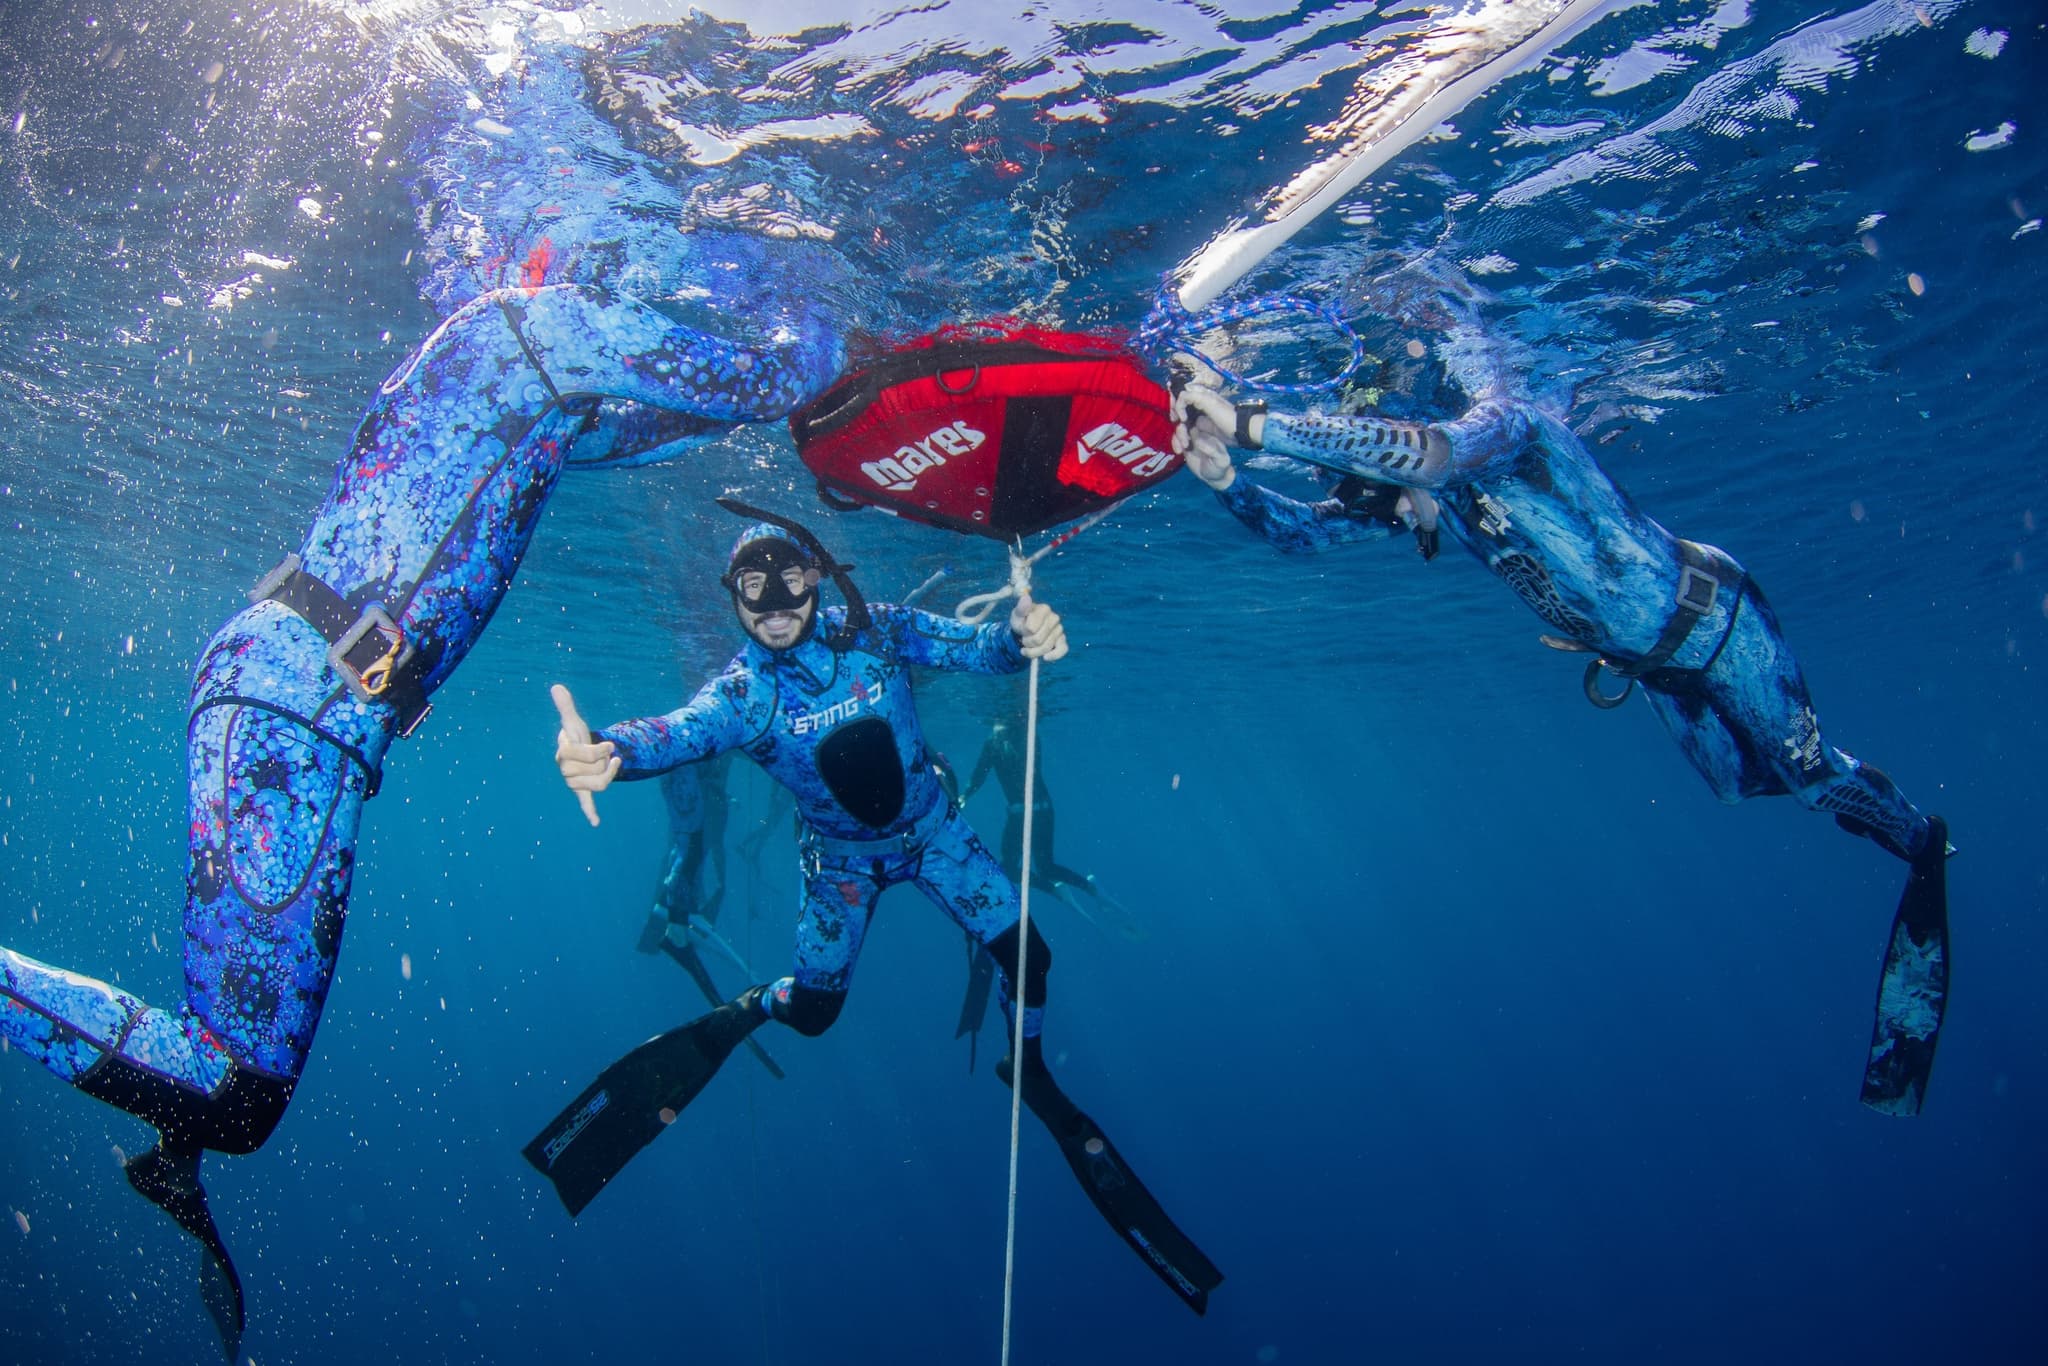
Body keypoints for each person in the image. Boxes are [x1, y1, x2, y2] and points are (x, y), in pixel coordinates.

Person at [0, 282, 842, 1358]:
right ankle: (183, 1118)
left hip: (295, 707)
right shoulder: (535, 324)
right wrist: (847, 357)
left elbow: (636, 427)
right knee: (240, 1089)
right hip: (295, 718)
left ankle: (174, 1138)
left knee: (230, 1078)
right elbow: (760, 378)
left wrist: (783, 408)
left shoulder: (519, 361)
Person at [1175, 372, 1951, 1117]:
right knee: (1731, 786)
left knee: (1810, 780)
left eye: (1395, 505)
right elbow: (1311, 533)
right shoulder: (1432, 494)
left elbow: (1426, 453)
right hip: (1654, 666)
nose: (1405, 523)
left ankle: (1918, 838)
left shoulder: (1508, 430)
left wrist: (1253, 425)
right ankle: (1858, 808)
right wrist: (1225, 482)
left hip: (1719, 622)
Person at [532, 505, 1222, 1314]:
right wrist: (604, 751)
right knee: (816, 1015)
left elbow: (981, 649)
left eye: (789, 577)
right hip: (841, 872)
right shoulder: (742, 693)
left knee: (1031, 957)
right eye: (753, 586)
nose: (776, 600)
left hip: (937, 838)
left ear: (818, 577)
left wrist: (1026, 634)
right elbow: (669, 733)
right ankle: (759, 1004)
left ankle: (1027, 1072)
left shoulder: (880, 632)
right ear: (733, 598)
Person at [952, 714, 1143, 1055]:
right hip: (1045, 808)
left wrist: (963, 796)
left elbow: (979, 776)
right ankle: (1088, 888)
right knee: (1048, 864)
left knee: (1009, 868)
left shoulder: (994, 742)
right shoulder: (1029, 735)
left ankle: (1057, 890)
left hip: (1018, 812)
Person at [641, 758, 785, 1079]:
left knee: (698, 844)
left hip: (704, 791)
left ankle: (677, 919)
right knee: (691, 842)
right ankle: (677, 924)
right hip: (698, 790)